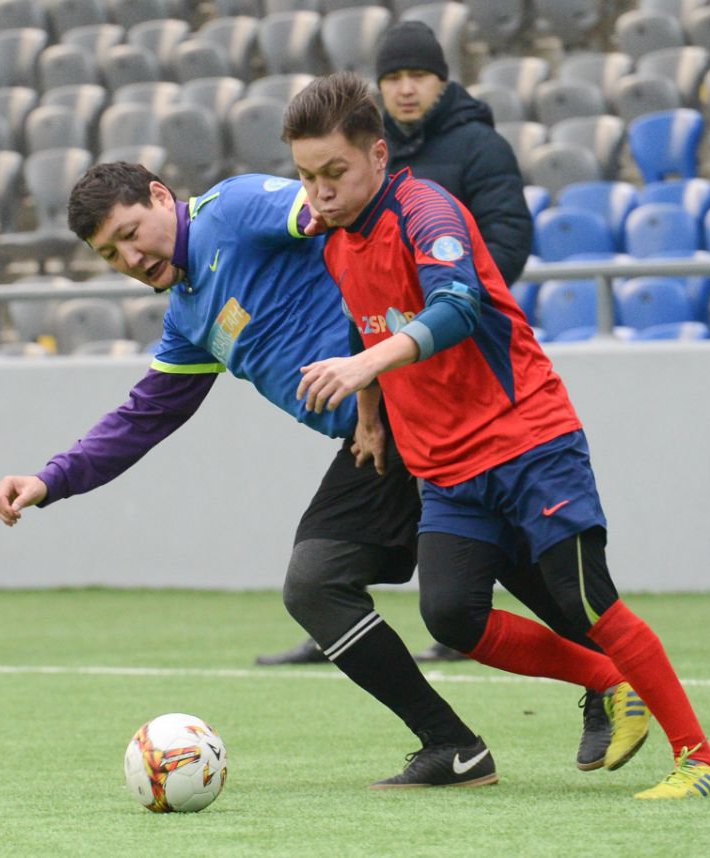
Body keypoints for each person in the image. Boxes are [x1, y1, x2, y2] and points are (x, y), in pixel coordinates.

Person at [0, 162, 629, 788]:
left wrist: (372, 381)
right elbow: (145, 416)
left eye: (131, 234)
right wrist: (51, 480)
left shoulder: (234, 208)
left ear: (161, 196)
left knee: (509, 570)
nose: (131, 259)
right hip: (374, 443)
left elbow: (340, 220)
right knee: (326, 583)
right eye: (111, 254)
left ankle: (616, 682)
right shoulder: (187, 314)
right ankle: (463, 741)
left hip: (420, 407)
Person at [283, 72, 710, 799]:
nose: (320, 191)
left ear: (378, 154)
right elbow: (367, 322)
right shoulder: (336, 240)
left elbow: (457, 305)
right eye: (307, 177)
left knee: (588, 603)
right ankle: (607, 679)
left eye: (334, 172)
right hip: (445, 468)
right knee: (451, 615)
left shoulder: (426, 210)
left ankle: (705, 760)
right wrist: (369, 412)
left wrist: (366, 365)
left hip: (527, 441)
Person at [260, 20, 532, 668]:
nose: (406, 89)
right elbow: (364, 282)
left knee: (513, 543)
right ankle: (336, 613)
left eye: (419, 76)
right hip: (393, 365)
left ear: (443, 81)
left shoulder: (478, 147)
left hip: (466, 362)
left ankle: (518, 630)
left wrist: (439, 295)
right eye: (394, 78)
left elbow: (508, 240)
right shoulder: (349, 166)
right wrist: (371, 400)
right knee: (348, 531)